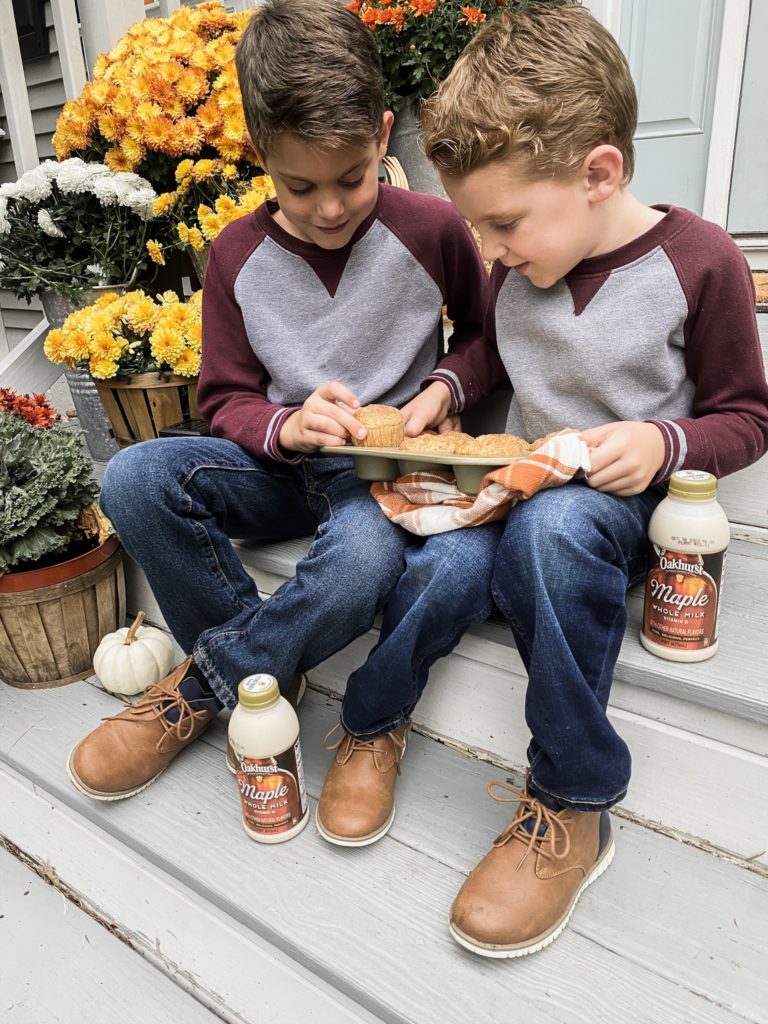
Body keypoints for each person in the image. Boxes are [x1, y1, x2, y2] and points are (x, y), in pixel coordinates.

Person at [379, 2, 768, 958]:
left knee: (551, 541)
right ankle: (368, 726)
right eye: (475, 227)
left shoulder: (700, 262)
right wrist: (443, 387)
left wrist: (666, 443)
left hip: (618, 517)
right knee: (422, 550)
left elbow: (748, 416)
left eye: (501, 224)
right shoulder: (519, 273)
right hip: (523, 493)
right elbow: (496, 362)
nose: (487, 251)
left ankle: (572, 798)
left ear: (600, 173)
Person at [66, 0, 502, 808]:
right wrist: (285, 425)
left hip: (378, 473)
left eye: (352, 179)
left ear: (381, 136)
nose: (330, 208)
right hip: (275, 462)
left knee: (368, 562)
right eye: (300, 186)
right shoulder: (235, 255)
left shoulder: (432, 229)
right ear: (261, 153)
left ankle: (207, 685)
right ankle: (266, 667)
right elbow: (224, 395)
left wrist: (446, 386)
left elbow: (483, 336)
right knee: (132, 479)